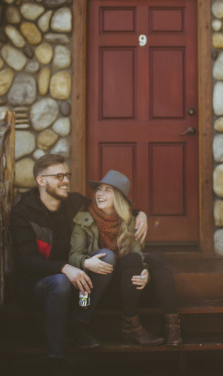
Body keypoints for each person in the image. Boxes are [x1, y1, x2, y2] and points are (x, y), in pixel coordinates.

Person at [10, 155, 148, 376]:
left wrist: (140, 214)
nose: (65, 180)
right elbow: (26, 261)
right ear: (41, 181)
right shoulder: (23, 213)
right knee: (60, 282)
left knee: (104, 258)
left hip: (79, 284)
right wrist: (64, 268)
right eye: (59, 176)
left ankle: (80, 320)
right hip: (39, 285)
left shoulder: (74, 202)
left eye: (67, 175)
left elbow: (110, 204)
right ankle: (56, 360)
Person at [69, 170, 182, 347]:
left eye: (107, 190)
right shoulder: (83, 220)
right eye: (99, 189)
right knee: (108, 256)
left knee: (145, 259)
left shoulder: (129, 221)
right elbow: (73, 256)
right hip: (88, 290)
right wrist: (86, 262)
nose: (100, 194)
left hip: (122, 289)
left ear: (118, 196)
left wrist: (146, 275)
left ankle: (145, 327)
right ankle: (80, 322)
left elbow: (137, 256)